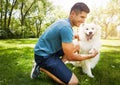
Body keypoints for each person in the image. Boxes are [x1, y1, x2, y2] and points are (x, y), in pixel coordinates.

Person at [30, 2, 98, 85]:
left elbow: (62, 37)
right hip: (43, 56)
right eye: (82, 17)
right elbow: (70, 57)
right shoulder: (66, 28)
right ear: (73, 14)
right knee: (73, 82)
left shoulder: (64, 22)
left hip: (47, 51)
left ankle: (58, 66)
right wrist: (90, 56)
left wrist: (75, 36)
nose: (83, 21)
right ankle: (41, 67)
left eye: (85, 18)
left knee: (76, 45)